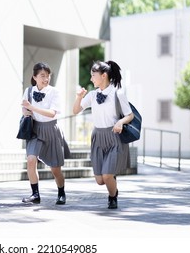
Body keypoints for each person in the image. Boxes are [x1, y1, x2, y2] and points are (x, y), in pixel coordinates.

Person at [72, 60, 134, 209]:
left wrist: (120, 122)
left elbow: (130, 115)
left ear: (104, 75)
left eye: (93, 75)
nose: (91, 79)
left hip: (113, 137)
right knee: (100, 180)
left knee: (107, 176)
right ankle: (113, 184)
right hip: (98, 138)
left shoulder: (118, 93)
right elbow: (75, 111)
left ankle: (112, 196)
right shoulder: (93, 95)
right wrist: (79, 97)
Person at [21, 62, 70, 205]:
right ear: (34, 77)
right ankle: (35, 194)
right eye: (42, 75)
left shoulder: (54, 92)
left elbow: (52, 113)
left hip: (51, 130)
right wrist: (26, 111)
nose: (46, 78)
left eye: (48, 76)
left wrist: (32, 108)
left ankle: (61, 193)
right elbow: (25, 109)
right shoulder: (28, 91)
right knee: (31, 160)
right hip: (35, 129)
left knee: (55, 169)